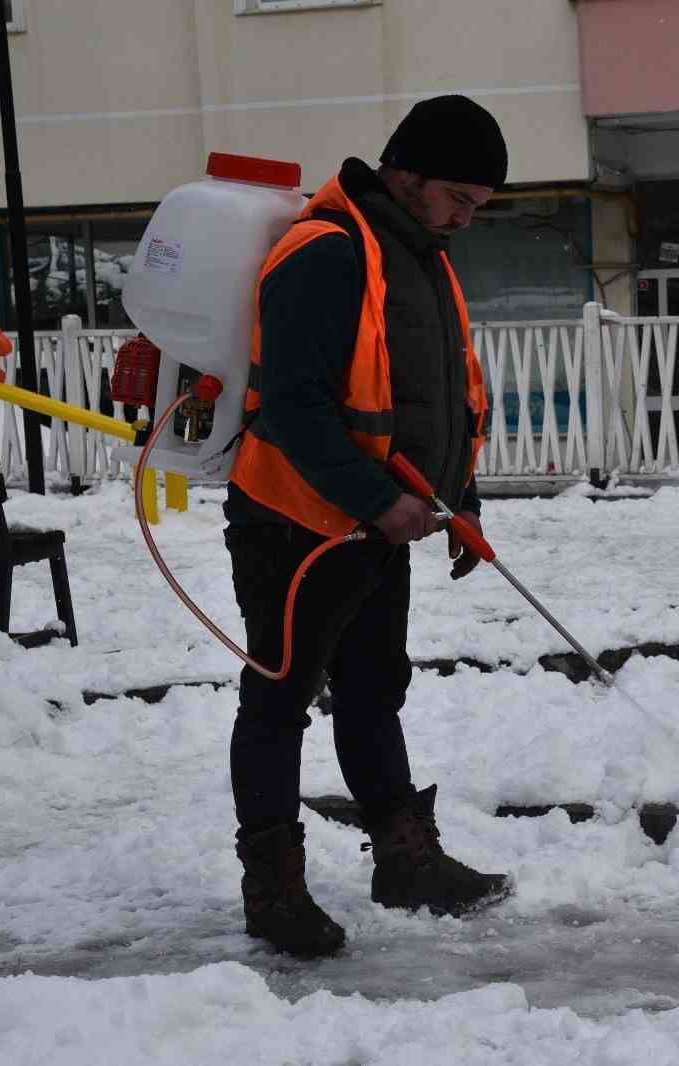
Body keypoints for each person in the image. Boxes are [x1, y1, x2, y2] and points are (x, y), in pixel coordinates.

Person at [223, 95, 512, 959]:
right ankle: (273, 890)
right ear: (404, 173)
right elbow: (294, 406)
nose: (467, 217)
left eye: (479, 206)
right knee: (277, 701)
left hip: (376, 525)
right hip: (295, 521)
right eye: (459, 196)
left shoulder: (419, 255)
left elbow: (437, 401)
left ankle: (404, 860)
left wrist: (461, 502)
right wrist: (376, 501)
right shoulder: (325, 252)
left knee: (375, 687)